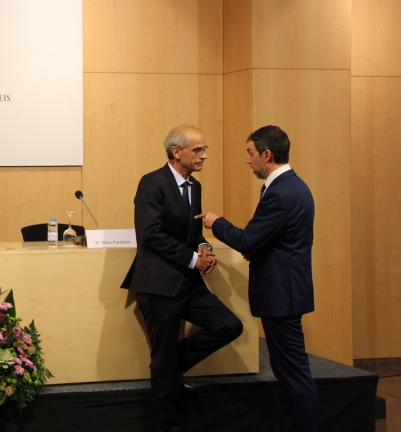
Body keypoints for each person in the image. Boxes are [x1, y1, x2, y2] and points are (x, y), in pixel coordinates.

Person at [197, 125, 321, 432]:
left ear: (267, 154)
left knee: (293, 375)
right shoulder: (292, 186)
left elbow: (248, 240)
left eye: (250, 153)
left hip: (282, 295)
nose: (248, 160)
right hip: (286, 291)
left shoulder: (281, 192)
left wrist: (217, 222)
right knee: (288, 372)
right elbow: (281, 239)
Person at [122, 125, 243, 432]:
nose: (204, 156)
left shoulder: (195, 187)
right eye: (198, 150)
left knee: (229, 325)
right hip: (159, 285)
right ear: (176, 152)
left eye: (205, 149)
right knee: (162, 369)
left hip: (187, 284)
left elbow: (193, 232)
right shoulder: (152, 183)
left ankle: (169, 366)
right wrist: (193, 259)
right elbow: (150, 236)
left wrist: (203, 246)